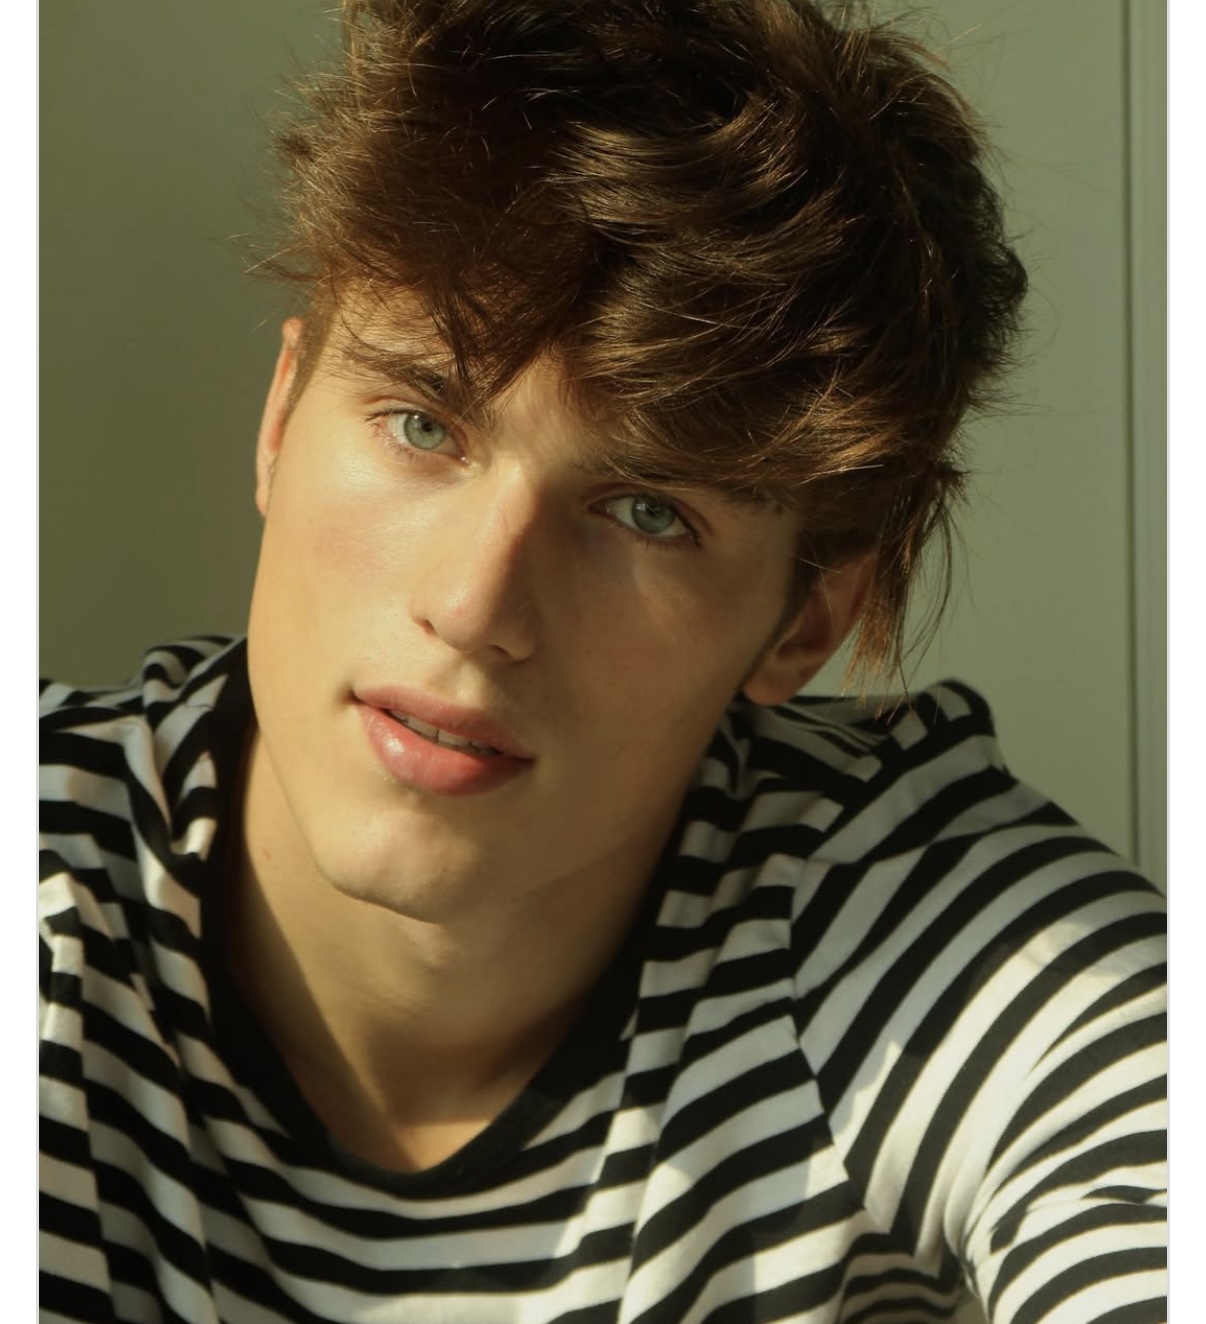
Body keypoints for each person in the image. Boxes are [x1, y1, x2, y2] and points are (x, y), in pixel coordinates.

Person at [38, 1, 1166, 1321]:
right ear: (282, 420)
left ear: (804, 619)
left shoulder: (916, 934)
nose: (475, 606)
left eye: (646, 512)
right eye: (419, 425)